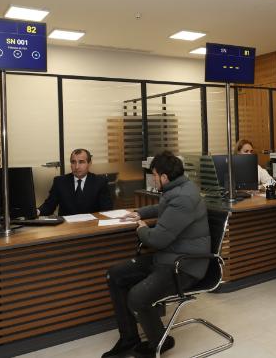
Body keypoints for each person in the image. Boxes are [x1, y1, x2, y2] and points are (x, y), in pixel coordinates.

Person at [103, 151, 210, 358]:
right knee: (115, 275)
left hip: (185, 266)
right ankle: (129, 339)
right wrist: (139, 213)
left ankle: (159, 342)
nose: (153, 179)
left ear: (164, 177)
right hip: (169, 257)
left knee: (137, 296)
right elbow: (164, 207)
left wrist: (142, 228)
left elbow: (157, 240)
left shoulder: (184, 197)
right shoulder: (177, 189)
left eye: (154, 175)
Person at [37, 148, 113, 216]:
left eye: (81, 162)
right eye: (73, 162)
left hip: (92, 225)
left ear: (89, 164)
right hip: (67, 226)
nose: (77, 167)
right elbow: (49, 206)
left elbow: (107, 210)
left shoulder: (100, 182)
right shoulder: (60, 182)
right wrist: (36, 212)